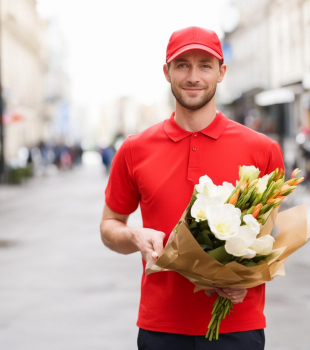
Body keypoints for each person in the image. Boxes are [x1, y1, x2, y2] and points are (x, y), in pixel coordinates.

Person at [100, 26, 284, 350]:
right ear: (166, 71)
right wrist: (133, 236)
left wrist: (248, 279)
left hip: (238, 326)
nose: (193, 76)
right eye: (182, 64)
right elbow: (108, 226)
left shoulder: (263, 150)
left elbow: (270, 237)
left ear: (221, 72)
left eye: (205, 65)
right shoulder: (134, 149)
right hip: (161, 327)